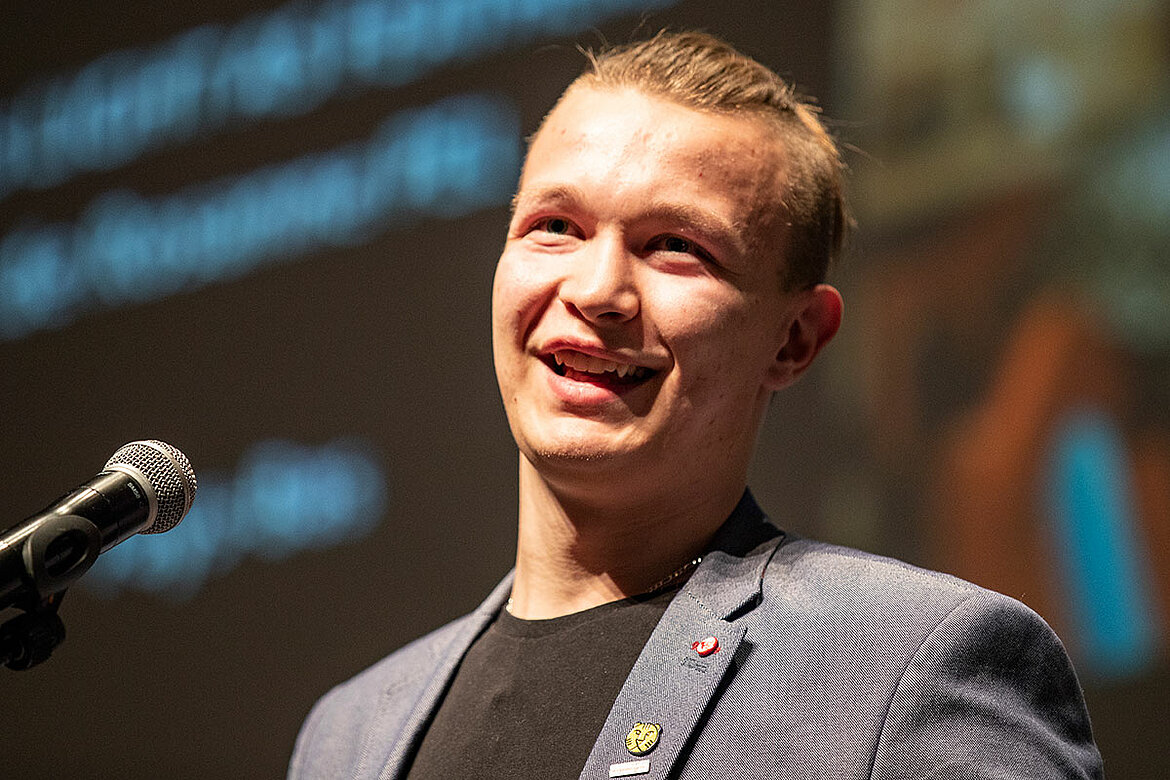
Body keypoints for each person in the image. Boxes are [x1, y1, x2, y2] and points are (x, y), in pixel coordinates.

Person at [289, 31, 1103, 779]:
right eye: (555, 227)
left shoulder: (914, 664)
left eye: (676, 245)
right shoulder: (349, 735)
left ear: (794, 339)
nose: (597, 290)